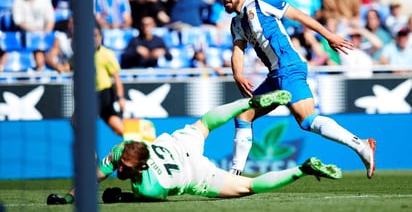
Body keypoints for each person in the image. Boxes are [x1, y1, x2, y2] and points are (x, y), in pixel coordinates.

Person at [47, 89, 343, 204]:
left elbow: (140, 198)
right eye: (119, 164)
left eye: (123, 167)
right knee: (205, 124)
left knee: (248, 187)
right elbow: (96, 174)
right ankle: (249, 104)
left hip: (193, 172)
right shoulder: (123, 150)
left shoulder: (151, 186)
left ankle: (302, 169)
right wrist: (69, 197)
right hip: (174, 145)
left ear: (141, 166)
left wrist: (120, 197)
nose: (118, 167)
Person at [219, 0, 376, 179]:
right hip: (274, 76)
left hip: (289, 67)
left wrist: (328, 36)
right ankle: (234, 174)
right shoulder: (236, 23)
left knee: (307, 119)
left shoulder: (262, 1)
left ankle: (361, 145)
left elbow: (299, 16)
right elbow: (238, 50)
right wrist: (238, 74)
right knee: (243, 116)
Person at [12, 0, 55, 71]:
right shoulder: (18, 1)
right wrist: (35, 32)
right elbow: (18, 22)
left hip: (42, 35)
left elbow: (50, 19)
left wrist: (45, 33)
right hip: (26, 35)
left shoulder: (44, 0)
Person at [94, 25, 126, 136]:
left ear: (101, 37)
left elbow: (116, 78)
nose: (94, 39)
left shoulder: (106, 54)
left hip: (103, 94)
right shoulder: (80, 54)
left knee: (80, 121)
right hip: (90, 95)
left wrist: (121, 97)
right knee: (119, 129)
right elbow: (67, 67)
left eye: (96, 35)